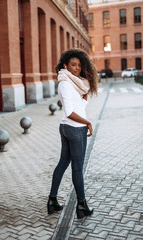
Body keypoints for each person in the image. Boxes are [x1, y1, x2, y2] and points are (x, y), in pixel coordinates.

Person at [47, 48, 98, 219]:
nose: (77, 68)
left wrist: (84, 96)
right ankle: (81, 206)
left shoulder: (74, 82)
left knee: (63, 163)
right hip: (74, 129)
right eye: (73, 65)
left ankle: (52, 201)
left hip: (69, 127)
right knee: (77, 168)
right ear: (65, 65)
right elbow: (69, 111)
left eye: (79, 65)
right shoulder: (66, 84)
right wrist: (88, 122)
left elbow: (79, 107)